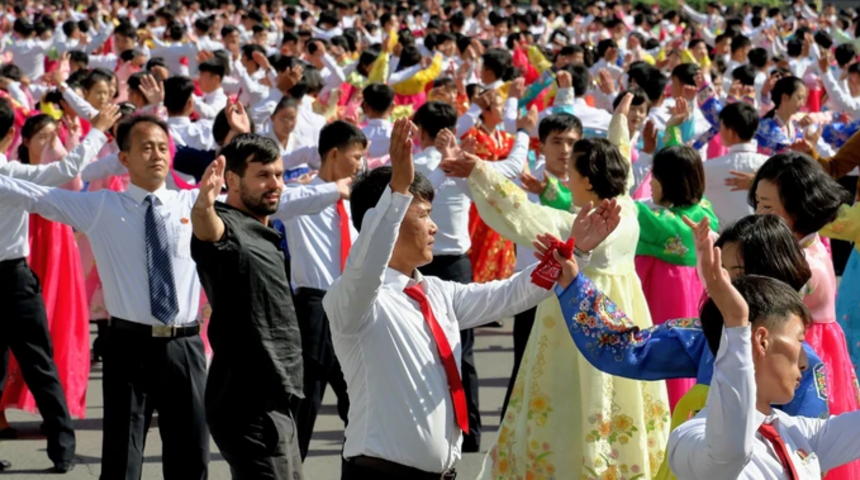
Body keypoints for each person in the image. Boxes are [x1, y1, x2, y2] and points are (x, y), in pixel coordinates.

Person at [323, 118, 590, 479]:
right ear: (387, 220)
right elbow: (367, 260)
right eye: (423, 216)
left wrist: (572, 253)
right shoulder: (354, 299)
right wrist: (397, 192)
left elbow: (507, 295)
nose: (434, 227)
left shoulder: (435, 292)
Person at [445, 94, 670, 480]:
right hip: (624, 315)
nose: (566, 175)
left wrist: (479, 170)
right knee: (615, 398)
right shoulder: (626, 207)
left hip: (578, 319)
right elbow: (621, 153)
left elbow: (520, 213)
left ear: (587, 179)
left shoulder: (579, 226)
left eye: (572, 170)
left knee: (566, 397)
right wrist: (618, 122)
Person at [666, 237, 860, 479]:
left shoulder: (793, 431)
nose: (805, 362)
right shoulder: (691, 439)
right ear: (761, 341)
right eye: (800, 341)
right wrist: (737, 328)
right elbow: (729, 453)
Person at [0, 99, 116, 473]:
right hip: (14, 279)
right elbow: (67, 169)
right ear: (10, 136)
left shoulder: (13, 173)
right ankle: (62, 449)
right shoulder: (12, 176)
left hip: (15, 275)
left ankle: (62, 448)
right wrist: (97, 128)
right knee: (40, 363)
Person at [191, 134, 305, 479]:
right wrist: (203, 208)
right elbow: (211, 234)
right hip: (248, 404)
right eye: (263, 176)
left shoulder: (263, 231)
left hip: (276, 395)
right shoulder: (230, 229)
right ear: (232, 181)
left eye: (279, 174)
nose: (275, 184)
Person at [749, 152, 860, 480]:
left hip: (804, 359)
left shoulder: (798, 263)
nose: (758, 213)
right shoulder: (812, 243)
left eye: (768, 207)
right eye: (757, 202)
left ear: (800, 208)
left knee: (797, 446)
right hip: (822, 354)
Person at [279, 121, 363, 459]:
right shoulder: (302, 194)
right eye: (355, 156)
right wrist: (330, 191)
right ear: (332, 154)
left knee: (360, 404)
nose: (360, 164)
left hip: (352, 307)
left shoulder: (355, 199)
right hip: (315, 307)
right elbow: (277, 204)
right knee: (304, 405)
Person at [633, 145, 718, 409]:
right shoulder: (703, 211)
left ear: (669, 181)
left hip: (664, 293)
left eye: (655, 177)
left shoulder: (661, 222)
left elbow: (628, 208)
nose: (651, 185)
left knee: (659, 356)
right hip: (692, 295)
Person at [701, 102, 768, 229]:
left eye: (721, 128)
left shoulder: (707, 168)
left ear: (731, 132)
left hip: (722, 242)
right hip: (761, 239)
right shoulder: (771, 166)